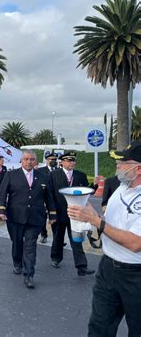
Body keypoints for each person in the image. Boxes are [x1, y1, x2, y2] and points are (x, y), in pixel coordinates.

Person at [67, 142, 141, 336]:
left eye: (123, 161)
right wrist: (91, 220)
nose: (118, 165)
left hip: (136, 276)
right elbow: (108, 223)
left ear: (138, 168)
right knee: (99, 327)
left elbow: (136, 243)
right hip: (108, 269)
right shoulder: (121, 188)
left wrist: (95, 221)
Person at [0, 150, 56, 288]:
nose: (29, 162)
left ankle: (29, 274)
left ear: (36, 161)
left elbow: (49, 197)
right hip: (15, 217)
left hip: (35, 218)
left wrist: (52, 214)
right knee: (17, 243)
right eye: (26, 159)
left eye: (32, 159)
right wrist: (1, 210)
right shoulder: (11, 175)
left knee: (30, 246)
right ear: (21, 161)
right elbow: (2, 194)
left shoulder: (43, 177)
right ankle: (17, 263)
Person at [48, 151, 95, 276]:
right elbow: (49, 194)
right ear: (62, 162)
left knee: (76, 240)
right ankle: (56, 258)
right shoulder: (53, 175)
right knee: (58, 237)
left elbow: (87, 192)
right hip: (59, 213)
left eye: (73, 160)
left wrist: (94, 186)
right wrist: (51, 212)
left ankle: (81, 267)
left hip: (76, 215)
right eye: (69, 161)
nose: (71, 163)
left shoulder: (80, 175)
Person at [38, 152, 59, 243]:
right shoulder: (40, 170)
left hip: (56, 200)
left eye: (54, 159)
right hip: (43, 199)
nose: (53, 161)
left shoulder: (60, 171)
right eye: (51, 159)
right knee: (42, 219)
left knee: (55, 219)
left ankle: (57, 239)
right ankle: (43, 234)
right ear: (47, 160)